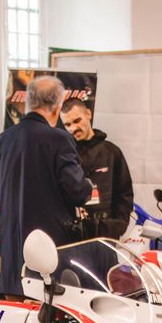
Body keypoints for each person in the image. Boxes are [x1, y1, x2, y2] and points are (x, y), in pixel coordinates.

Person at [0, 75, 92, 297]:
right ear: (57, 107)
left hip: (12, 253)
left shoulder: (0, 141)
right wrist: (88, 185)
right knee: (47, 312)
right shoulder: (59, 140)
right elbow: (77, 192)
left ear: (28, 102)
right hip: (48, 254)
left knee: (16, 313)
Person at [60, 99, 135, 239]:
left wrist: (117, 226)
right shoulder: (64, 156)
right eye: (67, 125)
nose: (73, 128)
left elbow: (125, 195)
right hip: (72, 238)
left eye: (77, 121)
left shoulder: (112, 152)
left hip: (106, 236)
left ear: (88, 114)